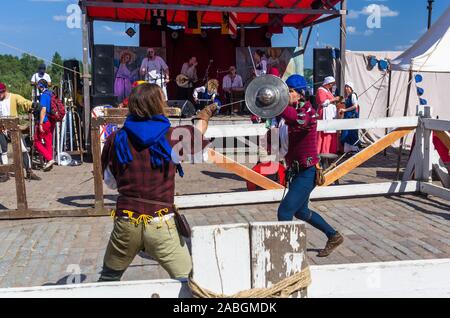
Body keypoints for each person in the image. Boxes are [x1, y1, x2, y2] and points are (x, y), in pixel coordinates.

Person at [98, 83, 218, 281]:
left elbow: (110, 182)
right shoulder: (173, 136)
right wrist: (203, 118)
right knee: (190, 281)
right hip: (161, 224)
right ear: (158, 104)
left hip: (127, 222)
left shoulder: (115, 139)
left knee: (108, 280)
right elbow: (200, 148)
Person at [277, 74, 343, 257]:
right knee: (301, 211)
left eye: (289, 91)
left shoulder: (308, 111)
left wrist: (277, 104)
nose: (286, 95)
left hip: (307, 172)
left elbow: (300, 121)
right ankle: (333, 235)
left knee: (284, 212)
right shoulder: (289, 115)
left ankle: (288, 254)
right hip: (297, 171)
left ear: (299, 93)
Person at [0, 82, 41, 181]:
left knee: (23, 150)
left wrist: (32, 104)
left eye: (1, 92)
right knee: (3, 152)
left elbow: (23, 102)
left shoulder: (13, 97)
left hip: (13, 128)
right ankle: (5, 173)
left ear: (5, 90)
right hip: (1, 129)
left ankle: (29, 171)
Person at [34, 80, 55, 171]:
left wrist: (41, 124)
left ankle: (49, 159)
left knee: (36, 142)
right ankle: (49, 163)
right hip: (51, 121)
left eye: (38, 86)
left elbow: (43, 110)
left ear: (40, 86)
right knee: (48, 142)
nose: (38, 88)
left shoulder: (43, 96)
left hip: (44, 121)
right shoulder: (51, 94)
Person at [315, 76, 339, 155]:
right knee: (325, 132)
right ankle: (323, 151)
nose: (332, 85)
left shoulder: (327, 90)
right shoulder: (321, 90)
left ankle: (330, 150)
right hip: (325, 113)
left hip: (330, 114)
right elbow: (323, 102)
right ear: (327, 83)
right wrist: (334, 99)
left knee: (331, 132)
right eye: (331, 84)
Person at [340, 82, 360, 154]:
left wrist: (345, 110)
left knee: (351, 132)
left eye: (348, 87)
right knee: (346, 132)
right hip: (347, 115)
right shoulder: (348, 96)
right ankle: (347, 149)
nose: (346, 88)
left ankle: (354, 148)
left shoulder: (353, 95)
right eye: (345, 87)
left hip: (352, 116)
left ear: (351, 88)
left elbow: (355, 106)